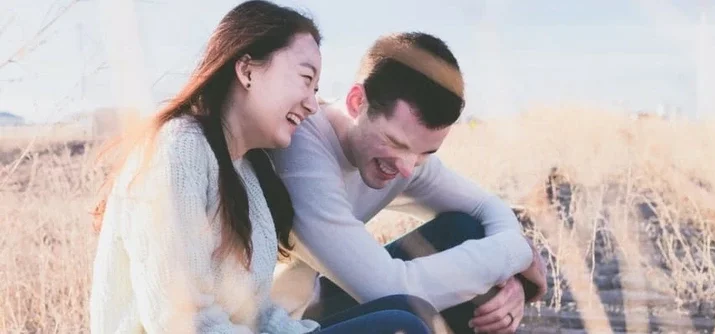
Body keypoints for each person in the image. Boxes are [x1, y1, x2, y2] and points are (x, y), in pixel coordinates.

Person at [89, 2, 438, 333]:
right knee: (400, 326)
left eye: (317, 90)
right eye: (305, 79)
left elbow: (255, 313)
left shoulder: (245, 171)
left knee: (406, 309)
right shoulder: (179, 148)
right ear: (247, 70)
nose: (312, 104)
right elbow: (180, 321)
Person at [268, 32, 549, 334]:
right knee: (405, 322)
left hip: (315, 305)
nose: (406, 168)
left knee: (466, 230)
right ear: (357, 102)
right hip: (272, 323)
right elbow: (388, 288)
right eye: (395, 143)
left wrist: (511, 282)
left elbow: (486, 206)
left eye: (425, 153)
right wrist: (515, 255)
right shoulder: (300, 150)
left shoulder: (407, 159)